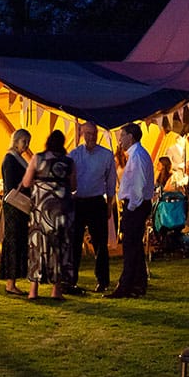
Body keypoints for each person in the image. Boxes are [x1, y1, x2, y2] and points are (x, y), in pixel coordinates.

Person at [21, 130, 77, 301]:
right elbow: (74, 185)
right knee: (59, 246)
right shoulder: (69, 162)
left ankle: (33, 290)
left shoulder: (37, 158)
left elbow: (26, 182)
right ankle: (56, 290)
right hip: (61, 209)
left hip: (41, 209)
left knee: (37, 246)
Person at [67, 122, 117, 294]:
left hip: (97, 201)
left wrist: (110, 204)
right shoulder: (74, 155)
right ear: (82, 134)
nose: (91, 137)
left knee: (100, 244)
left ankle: (102, 281)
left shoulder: (106, 155)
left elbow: (111, 182)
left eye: (93, 134)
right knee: (74, 243)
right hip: (78, 201)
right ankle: (71, 280)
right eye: (88, 134)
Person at [106, 123, 154, 298]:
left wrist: (132, 206)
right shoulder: (135, 155)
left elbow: (139, 186)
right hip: (135, 205)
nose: (119, 139)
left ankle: (126, 285)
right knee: (135, 246)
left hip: (136, 206)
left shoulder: (138, 156)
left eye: (122, 135)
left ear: (131, 137)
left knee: (130, 246)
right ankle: (138, 283)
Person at [0, 129, 31, 296]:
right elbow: (12, 185)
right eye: (24, 141)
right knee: (13, 242)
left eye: (28, 142)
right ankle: (10, 282)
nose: (26, 146)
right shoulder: (10, 159)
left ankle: (13, 281)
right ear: (16, 140)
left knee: (18, 241)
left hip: (18, 206)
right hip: (14, 206)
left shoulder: (17, 158)